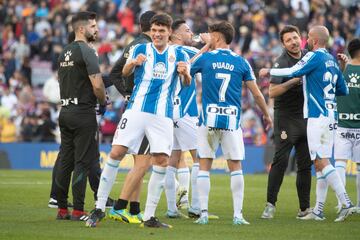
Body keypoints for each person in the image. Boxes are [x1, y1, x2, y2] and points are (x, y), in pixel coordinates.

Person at [86, 13, 191, 228]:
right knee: (116, 152)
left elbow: (186, 83)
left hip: (162, 115)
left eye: (161, 31)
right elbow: (124, 73)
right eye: (154, 30)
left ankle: (149, 216)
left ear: (169, 33)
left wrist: (185, 74)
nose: (157, 34)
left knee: (161, 160)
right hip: (135, 110)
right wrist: (132, 63)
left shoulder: (179, 53)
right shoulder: (140, 48)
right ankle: (99, 208)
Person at [259, 25, 354, 222]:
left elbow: (294, 70)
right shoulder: (332, 60)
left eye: (301, 37)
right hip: (327, 116)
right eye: (290, 39)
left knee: (319, 162)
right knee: (319, 165)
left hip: (315, 117)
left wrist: (268, 71)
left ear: (312, 39)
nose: (299, 42)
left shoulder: (312, 56)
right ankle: (317, 210)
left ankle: (346, 203)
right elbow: (342, 90)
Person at [191, 21, 272, 225]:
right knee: (235, 166)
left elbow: (183, 68)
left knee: (204, 165)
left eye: (210, 35)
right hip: (232, 119)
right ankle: (237, 215)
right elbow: (256, 94)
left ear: (216, 37)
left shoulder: (206, 58)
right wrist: (267, 115)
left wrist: (206, 47)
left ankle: (204, 214)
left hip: (207, 118)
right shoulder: (242, 62)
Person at [48, 31, 114, 210]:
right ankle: (79, 209)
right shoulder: (85, 55)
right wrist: (103, 100)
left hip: (67, 111)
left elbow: (89, 81)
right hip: (83, 114)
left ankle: (60, 204)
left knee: (66, 159)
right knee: (84, 161)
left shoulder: (65, 58)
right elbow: (97, 84)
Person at [106, 10, 156, 224]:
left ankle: (133, 210)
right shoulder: (144, 47)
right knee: (141, 160)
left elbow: (114, 72)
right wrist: (130, 93)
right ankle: (117, 207)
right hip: (142, 108)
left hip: (135, 107)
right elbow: (117, 73)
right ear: (152, 27)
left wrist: (126, 93)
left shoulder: (135, 44)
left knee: (140, 160)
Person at [261, 25, 312, 219]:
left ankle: (305, 209)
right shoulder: (281, 62)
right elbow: (272, 92)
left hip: (306, 116)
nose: (294, 42)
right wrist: (293, 80)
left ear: (301, 38)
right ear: (283, 44)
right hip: (286, 118)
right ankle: (270, 205)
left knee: (305, 165)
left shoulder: (309, 56)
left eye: (295, 37)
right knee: (280, 162)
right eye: (289, 40)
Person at [334, 38, 360, 214]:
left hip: (342, 125)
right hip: (359, 126)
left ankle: (341, 203)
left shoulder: (342, 70)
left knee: (340, 163)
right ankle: (358, 205)